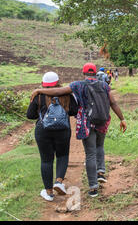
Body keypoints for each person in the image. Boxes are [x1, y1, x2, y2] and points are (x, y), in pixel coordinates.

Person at [31, 63, 127, 198]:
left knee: (90, 154)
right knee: (99, 146)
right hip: (102, 122)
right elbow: (113, 103)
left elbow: (58, 92)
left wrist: (40, 91)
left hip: (87, 123)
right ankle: (100, 171)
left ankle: (93, 188)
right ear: (95, 73)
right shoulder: (105, 85)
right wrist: (122, 119)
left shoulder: (78, 85)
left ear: (83, 73)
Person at [27, 72, 78, 202]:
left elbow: (30, 115)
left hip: (43, 130)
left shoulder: (38, 95)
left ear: (43, 84)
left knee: (46, 160)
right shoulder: (66, 94)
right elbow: (74, 111)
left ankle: (49, 192)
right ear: (58, 82)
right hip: (63, 130)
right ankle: (59, 182)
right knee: (62, 155)